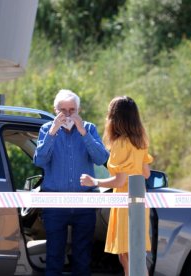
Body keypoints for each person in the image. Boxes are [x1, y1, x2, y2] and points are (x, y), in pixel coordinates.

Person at [33, 89, 109, 276]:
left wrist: (83, 132)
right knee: (54, 257)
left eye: (72, 110)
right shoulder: (46, 129)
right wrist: (52, 132)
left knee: (82, 258)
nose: (67, 114)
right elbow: (39, 161)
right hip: (55, 204)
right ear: (55, 110)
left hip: (84, 203)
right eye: (62, 110)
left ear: (79, 110)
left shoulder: (89, 128)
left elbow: (101, 158)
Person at [80, 96, 153, 276]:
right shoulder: (140, 142)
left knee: (128, 256)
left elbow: (119, 181)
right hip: (139, 202)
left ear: (115, 118)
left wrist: (94, 181)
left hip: (125, 203)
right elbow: (146, 173)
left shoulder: (120, 144)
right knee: (134, 256)